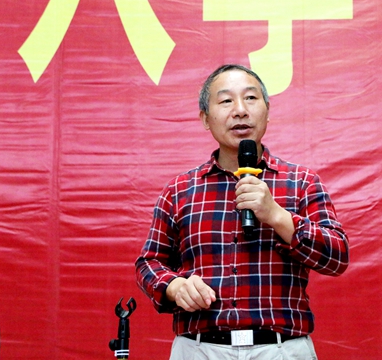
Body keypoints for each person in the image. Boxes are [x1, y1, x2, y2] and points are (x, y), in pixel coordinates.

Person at [135, 64, 349, 359]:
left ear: (267, 111)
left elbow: (337, 258)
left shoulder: (302, 182)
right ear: (205, 119)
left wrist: (277, 216)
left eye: (250, 98)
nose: (240, 111)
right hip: (200, 349)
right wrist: (174, 286)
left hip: (281, 349)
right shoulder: (179, 190)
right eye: (226, 101)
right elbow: (149, 262)